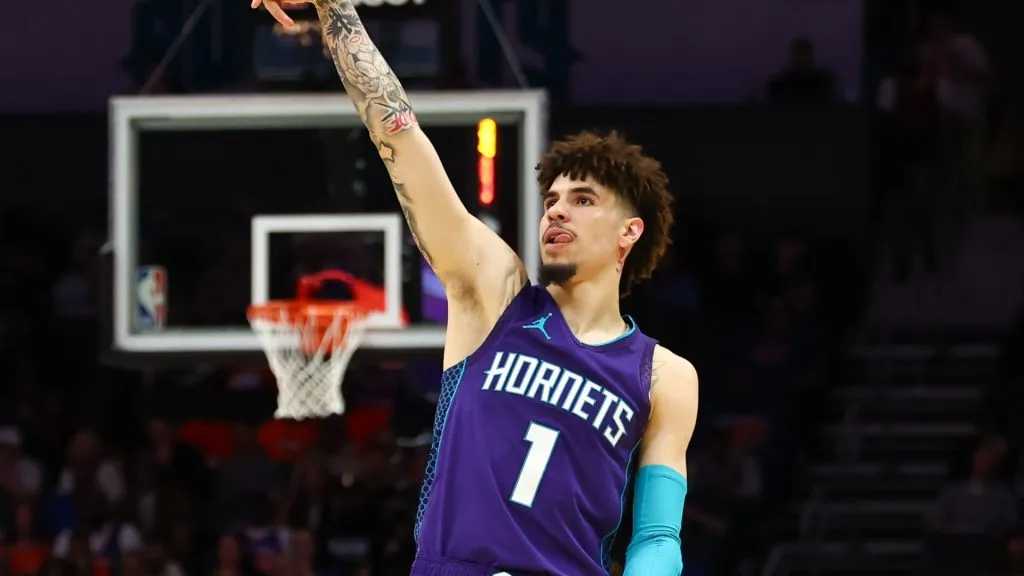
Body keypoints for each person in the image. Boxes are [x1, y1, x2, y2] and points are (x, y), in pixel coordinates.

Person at [252, 2, 699, 575]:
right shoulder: (497, 295)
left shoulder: (666, 375)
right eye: (552, 200)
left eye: (583, 199)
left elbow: (658, 537)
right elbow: (403, 141)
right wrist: (336, 9)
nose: (557, 211)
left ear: (629, 232)